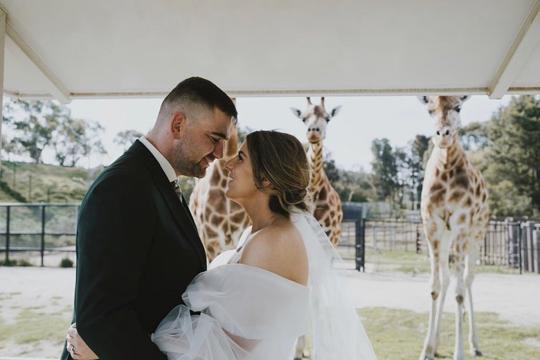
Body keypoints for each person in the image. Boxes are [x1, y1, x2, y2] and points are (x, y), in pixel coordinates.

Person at [66, 130, 377, 359]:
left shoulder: (276, 243)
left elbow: (225, 350)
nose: (227, 164)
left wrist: (108, 353)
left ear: (266, 179)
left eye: (240, 157)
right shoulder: (255, 235)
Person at [61, 77, 237, 360]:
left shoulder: (160, 184)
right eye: (214, 139)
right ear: (178, 125)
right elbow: (102, 319)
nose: (219, 154)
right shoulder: (122, 187)